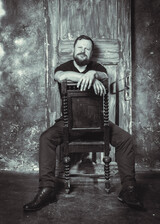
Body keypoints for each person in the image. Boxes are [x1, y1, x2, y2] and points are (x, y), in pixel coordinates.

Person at [23, 35, 144, 212]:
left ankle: (128, 190)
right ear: (73, 49)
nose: (83, 51)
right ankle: (46, 189)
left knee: (125, 139)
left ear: (91, 52)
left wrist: (93, 74)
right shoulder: (64, 67)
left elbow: (105, 75)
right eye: (80, 47)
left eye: (87, 48)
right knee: (45, 138)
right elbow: (60, 76)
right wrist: (87, 79)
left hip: (97, 123)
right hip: (68, 124)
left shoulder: (97, 68)